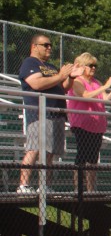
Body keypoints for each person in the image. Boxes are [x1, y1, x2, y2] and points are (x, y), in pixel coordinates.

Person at [17, 34, 82, 194]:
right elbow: (36, 83)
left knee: (49, 152)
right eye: (45, 45)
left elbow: (63, 88)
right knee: (34, 149)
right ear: (34, 46)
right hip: (39, 113)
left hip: (56, 114)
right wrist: (60, 75)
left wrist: (70, 77)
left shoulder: (50, 66)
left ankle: (45, 185)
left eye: (50, 45)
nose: (49, 48)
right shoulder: (30, 62)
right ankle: (23, 185)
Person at [66, 52, 111, 192]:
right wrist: (105, 86)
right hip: (82, 124)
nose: (93, 68)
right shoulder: (77, 81)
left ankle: (91, 190)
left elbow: (105, 98)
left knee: (93, 158)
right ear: (82, 66)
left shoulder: (95, 82)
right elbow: (85, 96)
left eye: (95, 66)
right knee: (83, 156)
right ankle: (78, 189)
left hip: (97, 125)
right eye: (90, 65)